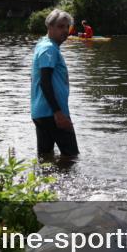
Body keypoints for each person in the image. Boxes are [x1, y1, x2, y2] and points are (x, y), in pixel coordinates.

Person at [31, 9, 79, 158]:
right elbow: (45, 82)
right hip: (52, 113)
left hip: (41, 112)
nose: (65, 30)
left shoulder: (43, 44)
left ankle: (47, 181)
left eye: (67, 27)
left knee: (45, 157)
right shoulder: (49, 49)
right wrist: (58, 113)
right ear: (49, 27)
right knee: (71, 157)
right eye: (60, 26)